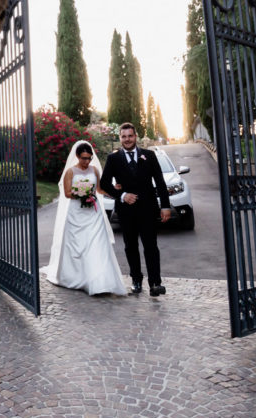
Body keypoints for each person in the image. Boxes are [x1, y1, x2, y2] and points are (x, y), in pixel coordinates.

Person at [44, 140, 127, 295]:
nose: (86, 161)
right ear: (77, 156)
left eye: (89, 158)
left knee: (97, 244)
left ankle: (101, 280)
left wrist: (112, 190)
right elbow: (68, 193)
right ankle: (77, 277)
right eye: (83, 158)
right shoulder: (70, 172)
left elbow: (99, 190)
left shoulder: (95, 170)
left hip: (93, 214)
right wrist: (83, 192)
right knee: (78, 246)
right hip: (76, 213)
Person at [99, 122, 171, 296]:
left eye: (130, 136)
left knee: (151, 246)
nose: (127, 139)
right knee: (130, 246)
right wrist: (123, 195)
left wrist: (166, 206)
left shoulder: (149, 155)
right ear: (120, 138)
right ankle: (136, 280)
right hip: (126, 211)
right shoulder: (113, 159)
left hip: (148, 209)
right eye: (124, 136)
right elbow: (104, 183)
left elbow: (160, 182)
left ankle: (155, 283)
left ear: (135, 137)